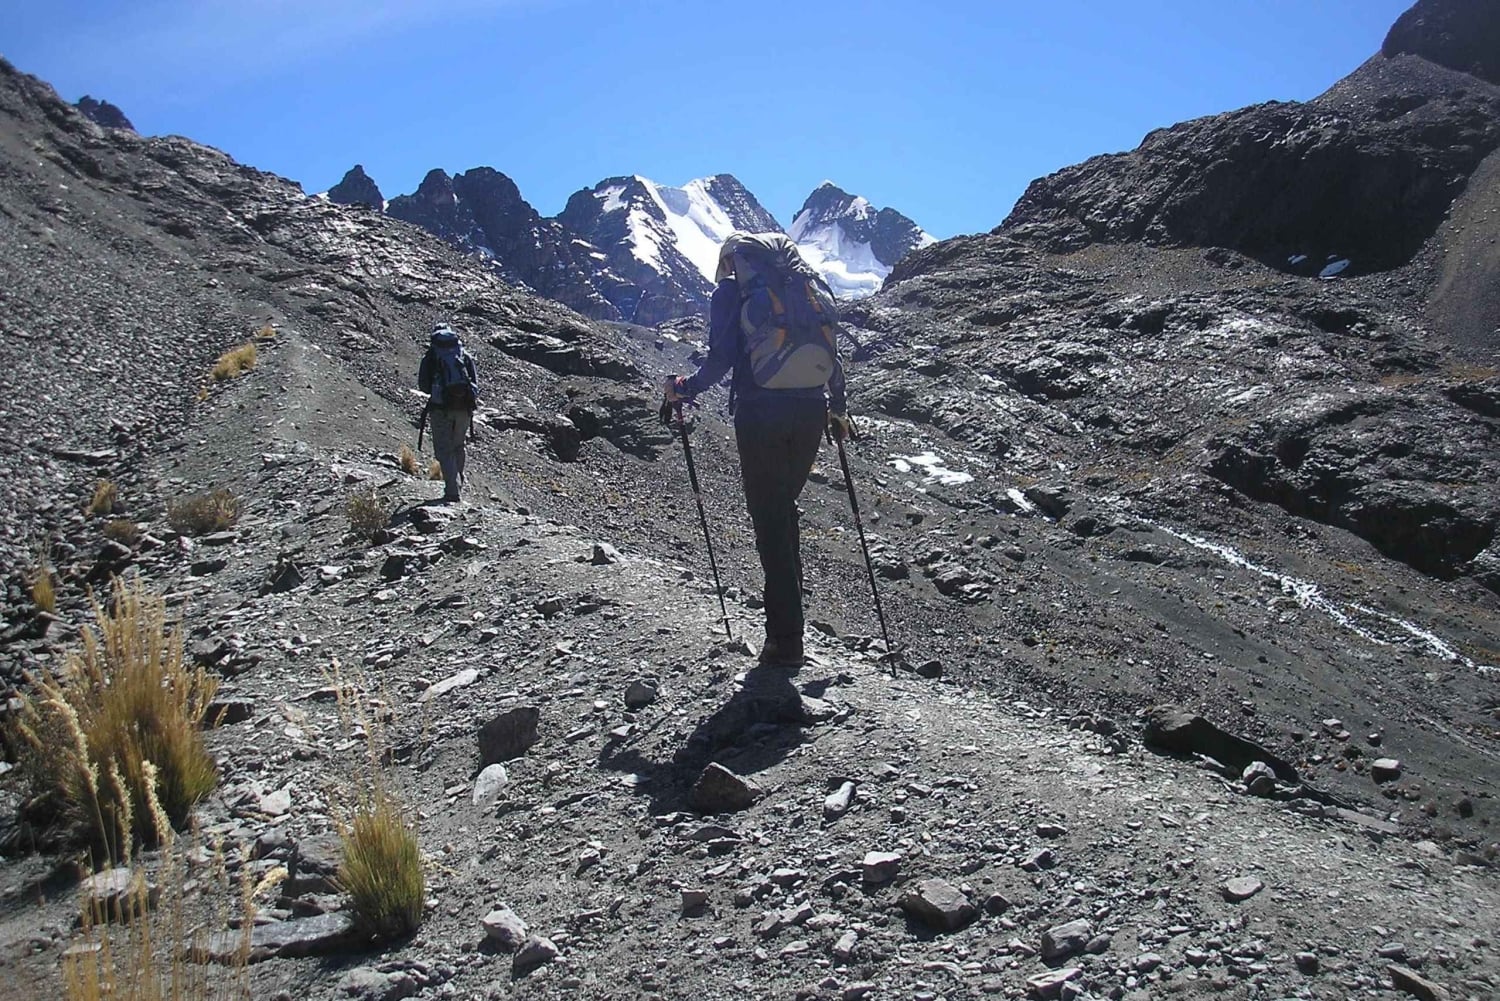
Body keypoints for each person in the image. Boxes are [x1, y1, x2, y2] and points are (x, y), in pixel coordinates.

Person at [662, 233, 853, 668]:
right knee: (783, 510)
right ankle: (791, 628)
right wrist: (838, 410)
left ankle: (785, 643)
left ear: (734, 259)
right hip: (811, 412)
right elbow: (832, 354)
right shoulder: (806, 289)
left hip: (761, 413)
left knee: (770, 520)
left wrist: (684, 390)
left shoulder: (731, 292)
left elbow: (721, 358)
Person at [418, 322, 479, 503]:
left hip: (440, 408)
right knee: (458, 445)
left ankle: (452, 492)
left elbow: (423, 385)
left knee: (444, 449)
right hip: (464, 408)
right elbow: (475, 382)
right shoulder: (463, 355)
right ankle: (458, 482)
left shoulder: (431, 357)